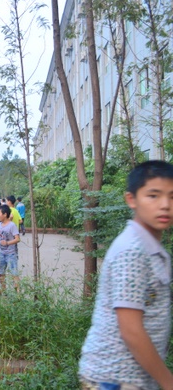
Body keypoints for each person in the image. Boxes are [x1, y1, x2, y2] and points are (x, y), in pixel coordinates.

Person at [79, 160, 173, 390]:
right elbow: (131, 330)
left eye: (171, 196)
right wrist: (168, 382)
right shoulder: (132, 250)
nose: (165, 205)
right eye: (153, 195)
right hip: (114, 379)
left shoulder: (151, 247)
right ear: (131, 199)